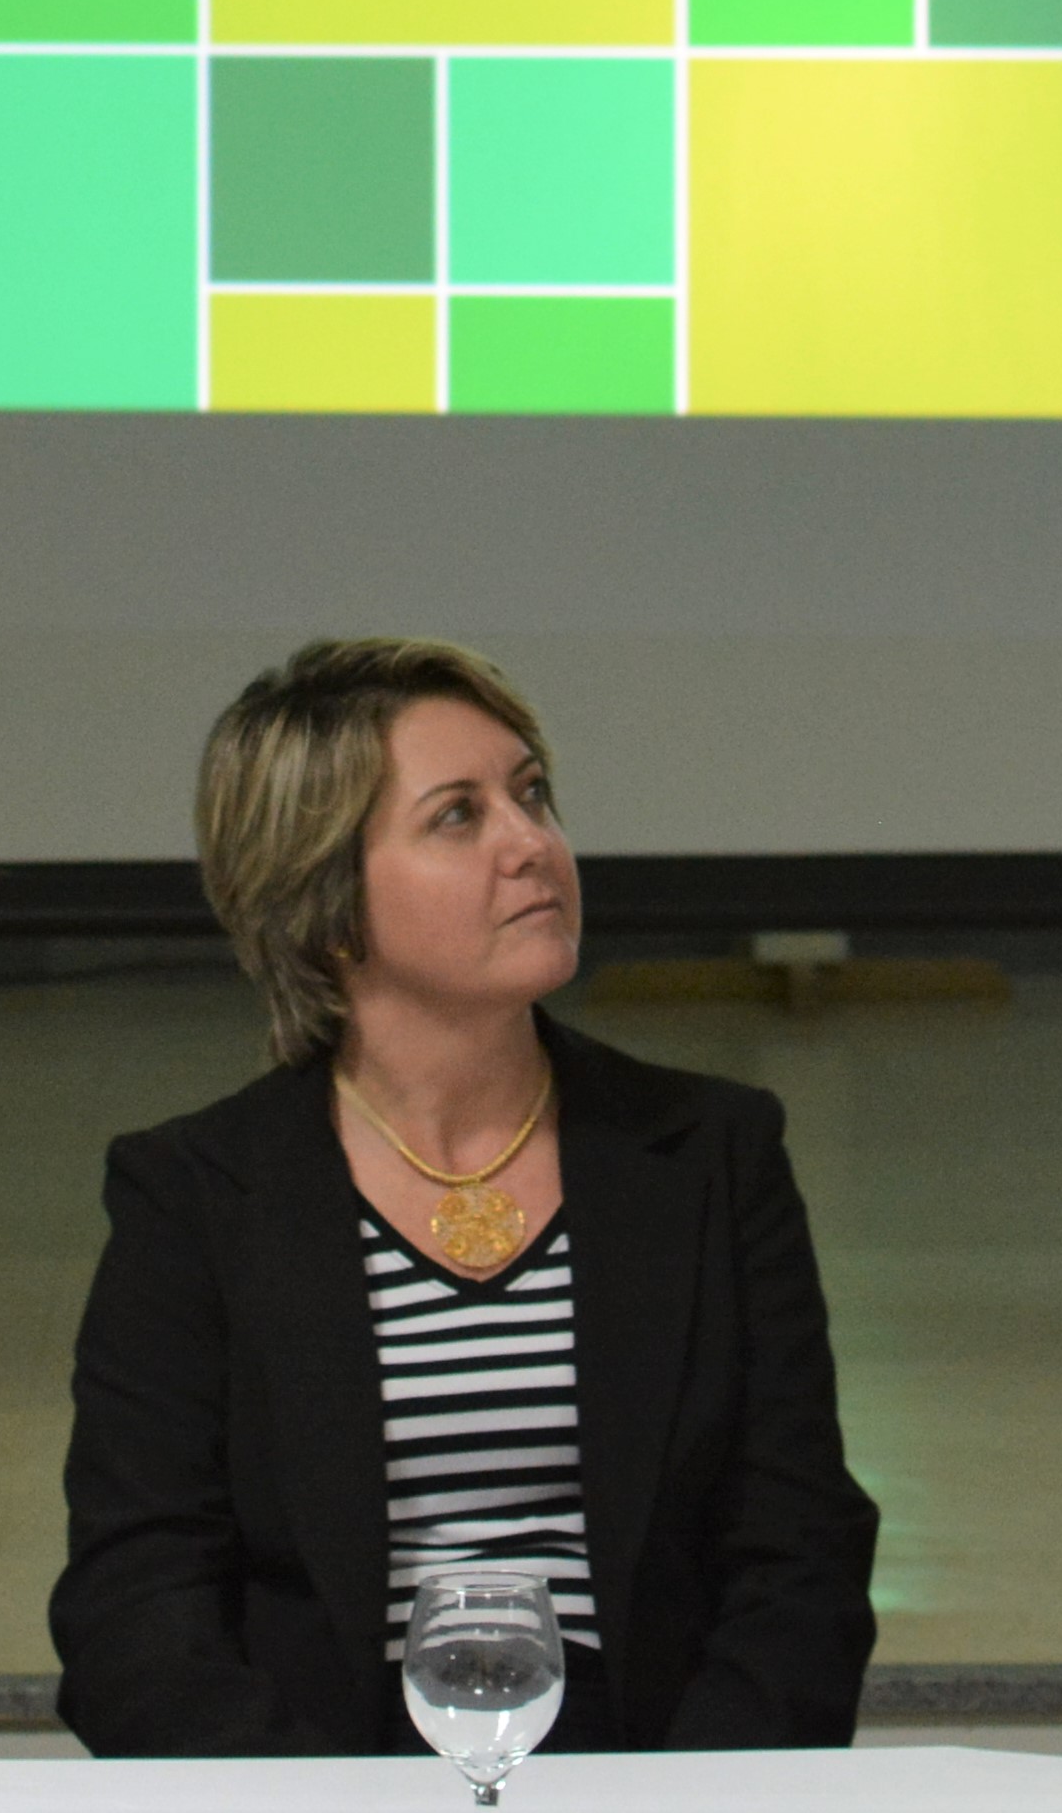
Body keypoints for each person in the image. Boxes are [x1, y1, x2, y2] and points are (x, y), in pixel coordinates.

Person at [51, 639, 879, 1755]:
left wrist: (685, 1799)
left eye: (530, 796)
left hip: (655, 1776)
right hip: (327, 1781)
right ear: (325, 902)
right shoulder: (195, 1196)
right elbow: (136, 1615)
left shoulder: (710, 1154)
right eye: (457, 816)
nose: (530, 844)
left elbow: (799, 1559)